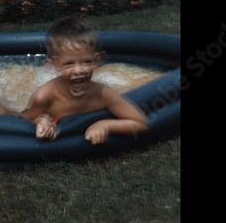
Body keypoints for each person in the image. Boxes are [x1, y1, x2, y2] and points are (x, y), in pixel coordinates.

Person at [21, 13, 148, 144]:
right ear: (54, 65)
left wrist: (105, 125)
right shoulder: (44, 96)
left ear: (97, 60)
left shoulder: (103, 94)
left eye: (87, 62)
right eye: (69, 63)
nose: (79, 70)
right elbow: (23, 120)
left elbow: (140, 123)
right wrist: (41, 120)